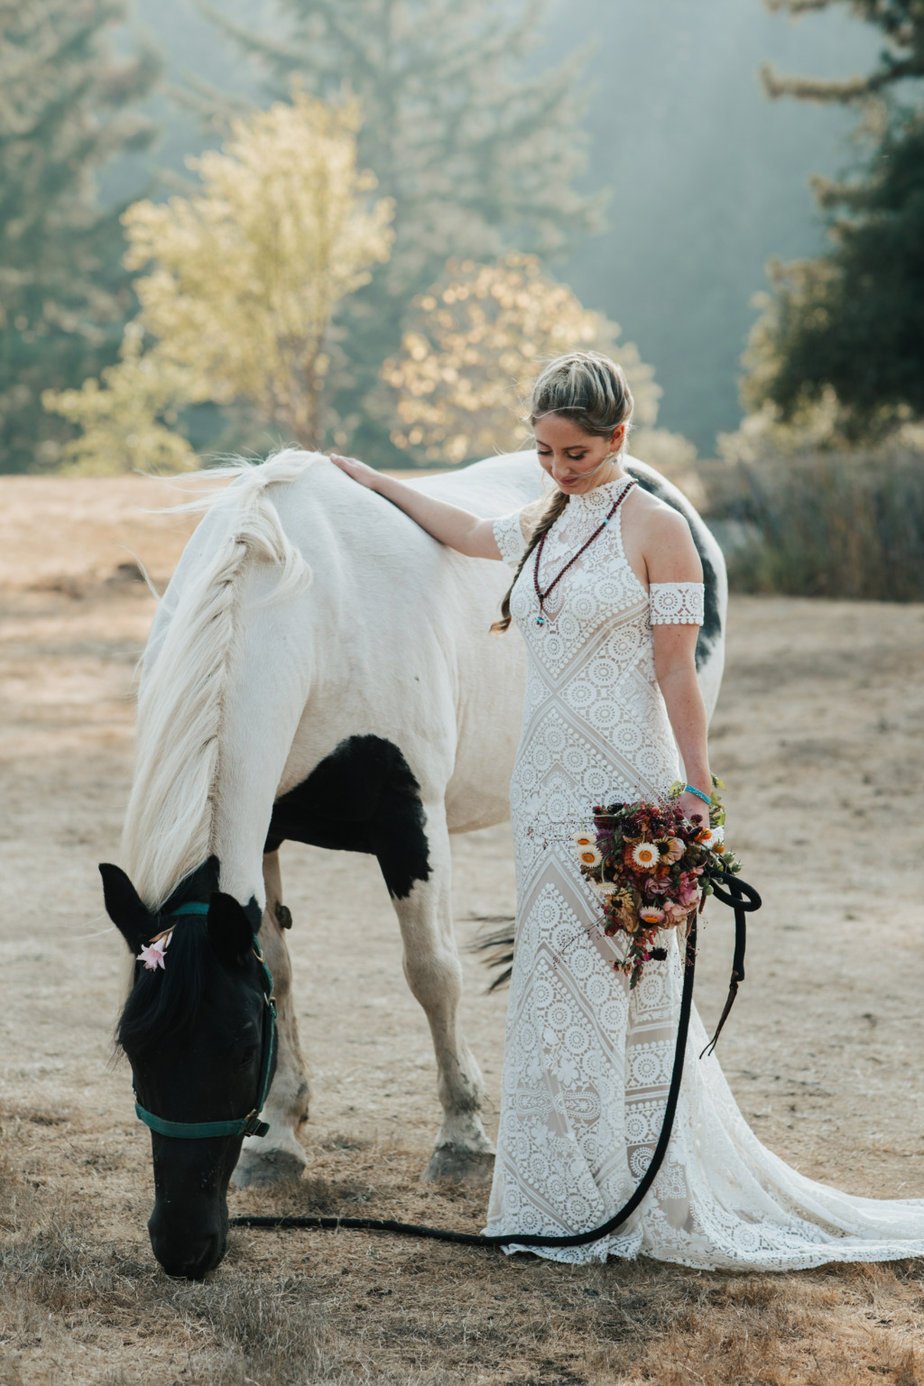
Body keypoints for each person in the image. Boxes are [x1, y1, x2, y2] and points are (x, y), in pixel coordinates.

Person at [329, 350, 924, 1269]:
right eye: (543, 452)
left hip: (627, 784)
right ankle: (558, 1194)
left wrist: (695, 792)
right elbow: (458, 529)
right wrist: (375, 483)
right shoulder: (539, 522)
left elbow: (675, 671)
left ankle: (633, 1186)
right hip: (543, 787)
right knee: (553, 985)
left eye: (576, 453)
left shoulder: (658, 529)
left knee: (623, 981)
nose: (559, 470)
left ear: (618, 438)